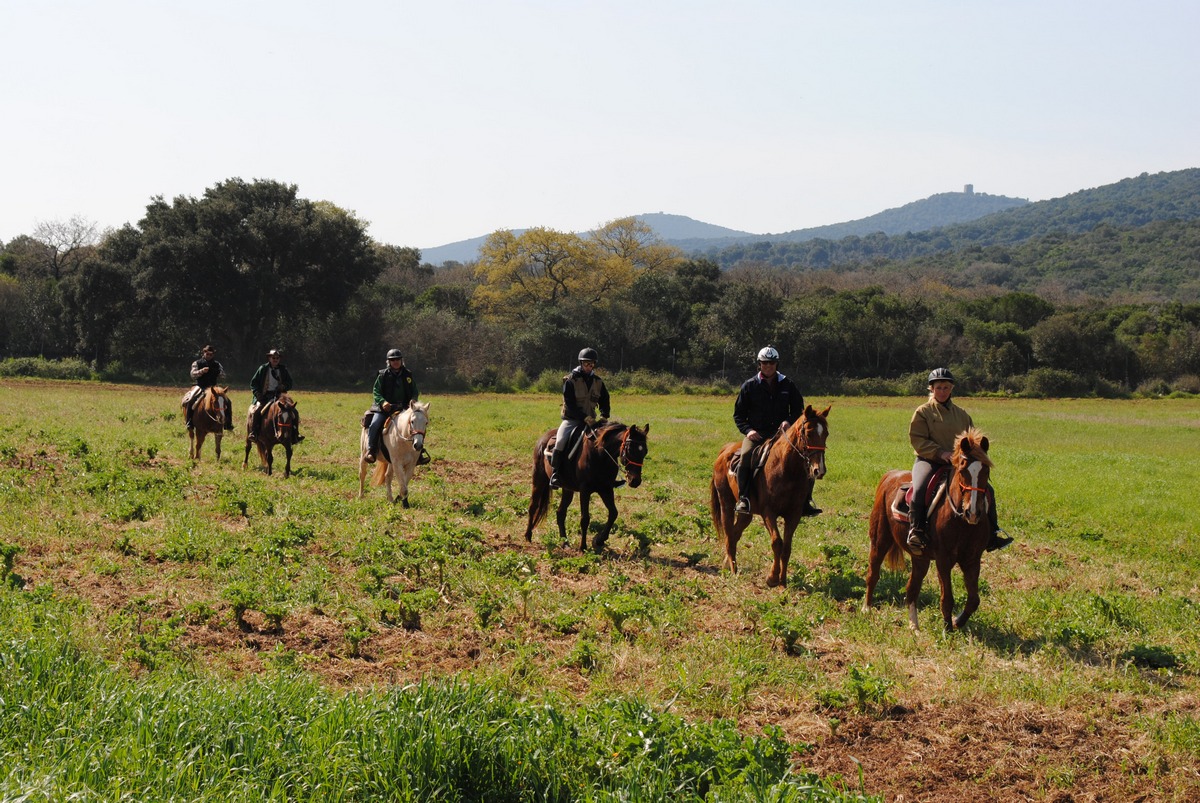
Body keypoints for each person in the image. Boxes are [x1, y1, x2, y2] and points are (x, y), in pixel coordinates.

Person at [906, 367, 1012, 554]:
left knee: (988, 490)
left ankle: (992, 533)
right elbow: (918, 439)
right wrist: (940, 453)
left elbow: (972, 440)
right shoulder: (923, 412)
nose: (942, 391)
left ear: (952, 388)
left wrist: (974, 454)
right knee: (920, 488)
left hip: (958, 463)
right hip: (929, 460)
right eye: (938, 387)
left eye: (946, 387)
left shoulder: (962, 414)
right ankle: (917, 530)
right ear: (931, 389)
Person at [732, 346, 821, 517]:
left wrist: (788, 421)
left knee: (805, 459)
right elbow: (738, 415)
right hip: (757, 434)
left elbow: (798, 409)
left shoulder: (788, 384)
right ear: (759, 364)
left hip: (783, 435)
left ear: (776, 364)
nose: (768, 366)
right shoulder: (749, 386)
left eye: (771, 363)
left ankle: (806, 501)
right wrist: (748, 430)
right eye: (765, 363)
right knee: (745, 456)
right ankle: (744, 498)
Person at [549, 347, 611, 489]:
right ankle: (555, 474)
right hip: (572, 420)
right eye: (586, 364)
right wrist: (584, 418)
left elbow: (605, 400)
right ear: (581, 363)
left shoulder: (598, 381)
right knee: (560, 441)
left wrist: (604, 415)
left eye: (591, 364)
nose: (589, 367)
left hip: (592, 421)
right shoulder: (571, 380)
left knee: (608, 442)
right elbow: (570, 404)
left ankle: (609, 475)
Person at [365, 348, 418, 463]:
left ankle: (418, 452)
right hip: (385, 409)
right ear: (389, 362)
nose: (396, 362)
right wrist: (383, 402)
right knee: (375, 424)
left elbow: (414, 391)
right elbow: (376, 391)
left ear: (401, 360)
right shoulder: (382, 375)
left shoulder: (408, 374)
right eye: (393, 360)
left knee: (417, 424)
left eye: (398, 359)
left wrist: (413, 400)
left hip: (404, 408)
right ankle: (371, 450)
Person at [249, 349, 301, 443]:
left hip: (279, 396)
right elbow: (253, 383)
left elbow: (290, 383)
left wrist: (284, 386)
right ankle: (254, 432)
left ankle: (295, 434)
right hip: (264, 396)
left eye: (277, 358)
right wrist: (258, 394)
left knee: (294, 412)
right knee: (257, 411)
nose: (275, 359)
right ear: (269, 358)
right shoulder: (262, 368)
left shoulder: (283, 369)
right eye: (273, 358)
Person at [186, 344, 233, 431]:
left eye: (211, 354)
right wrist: (201, 371)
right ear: (203, 353)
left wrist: (219, 372)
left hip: (213, 388)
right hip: (201, 386)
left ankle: (228, 423)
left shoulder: (217, 364)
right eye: (207, 354)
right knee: (191, 399)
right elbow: (192, 374)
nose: (209, 356)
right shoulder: (197, 363)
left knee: (228, 402)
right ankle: (189, 422)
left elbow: (223, 375)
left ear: (213, 355)